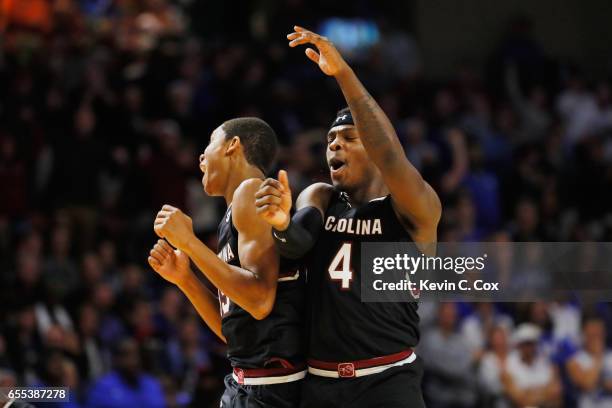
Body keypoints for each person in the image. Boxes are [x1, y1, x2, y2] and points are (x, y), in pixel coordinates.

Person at [255, 26, 441, 407]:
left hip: (388, 381)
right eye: (329, 141)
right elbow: (295, 245)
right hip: (321, 384)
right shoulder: (319, 196)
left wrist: (343, 74)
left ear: (372, 146)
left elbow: (390, 155)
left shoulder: (414, 208)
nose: (334, 144)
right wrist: (278, 225)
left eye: (349, 138)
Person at [148, 117, 305, 407]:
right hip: (247, 381)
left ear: (233, 146)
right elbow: (234, 332)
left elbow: (258, 301)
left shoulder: (251, 192)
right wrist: (186, 279)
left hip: (271, 387)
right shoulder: (234, 210)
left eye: (209, 143)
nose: (200, 156)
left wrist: (189, 243)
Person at [566, 317, 612, 408]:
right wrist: (598, 357)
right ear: (584, 334)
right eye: (592, 334)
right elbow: (588, 384)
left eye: (599, 333)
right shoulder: (574, 360)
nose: (596, 337)